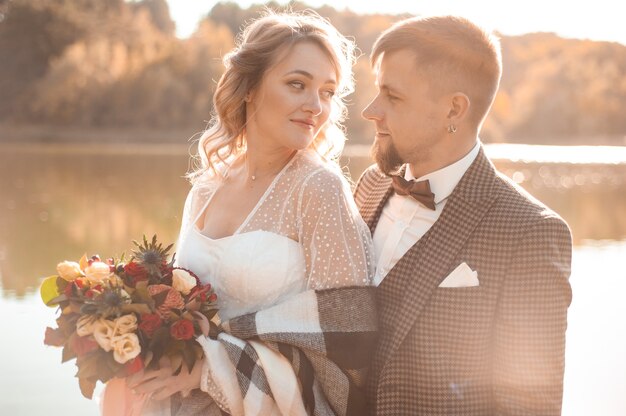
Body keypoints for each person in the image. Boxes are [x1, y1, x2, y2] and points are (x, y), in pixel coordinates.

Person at [111, 10, 377, 416]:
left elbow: (347, 339)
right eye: (296, 84)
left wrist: (210, 367)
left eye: (327, 92)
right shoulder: (206, 186)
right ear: (250, 86)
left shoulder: (318, 190)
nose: (315, 106)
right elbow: (182, 304)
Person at [354, 15, 573, 415]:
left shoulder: (529, 232)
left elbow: (529, 406)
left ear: (454, 109)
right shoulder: (369, 186)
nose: (371, 111)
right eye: (376, 91)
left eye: (393, 96)